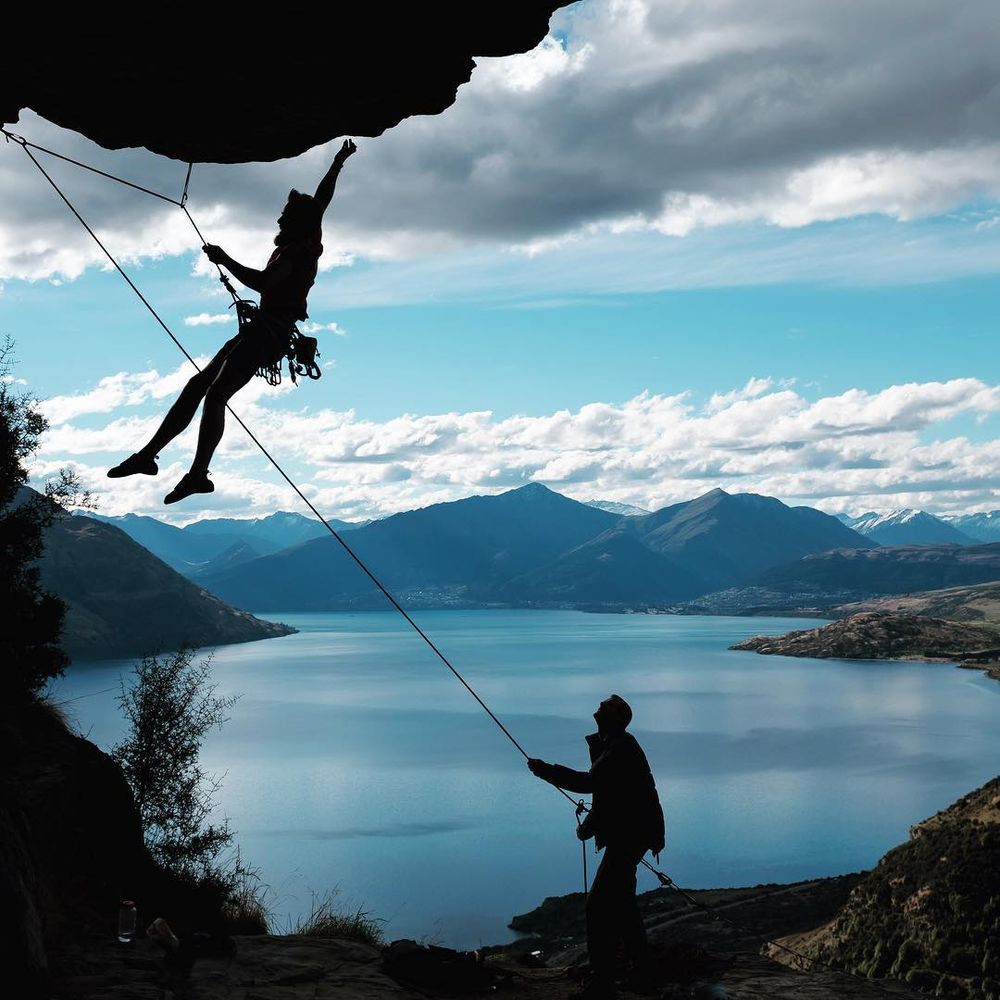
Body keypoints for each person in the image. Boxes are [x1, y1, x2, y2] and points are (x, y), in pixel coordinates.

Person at [107, 138, 358, 504]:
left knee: (214, 395)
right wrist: (337, 163)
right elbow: (322, 200)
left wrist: (225, 259)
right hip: (265, 331)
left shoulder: (294, 250)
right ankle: (148, 457)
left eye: (285, 215)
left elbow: (262, 282)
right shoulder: (309, 237)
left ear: (295, 222)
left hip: (268, 334)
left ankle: (196, 475)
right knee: (199, 387)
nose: (278, 218)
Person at [528, 695, 664, 1000]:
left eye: (605, 706)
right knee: (624, 908)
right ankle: (643, 975)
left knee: (598, 907)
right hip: (635, 833)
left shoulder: (620, 748)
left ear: (615, 718)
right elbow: (609, 795)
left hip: (630, 836)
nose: (599, 707)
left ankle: (603, 984)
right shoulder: (614, 744)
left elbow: (589, 783)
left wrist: (545, 770)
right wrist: (590, 827)